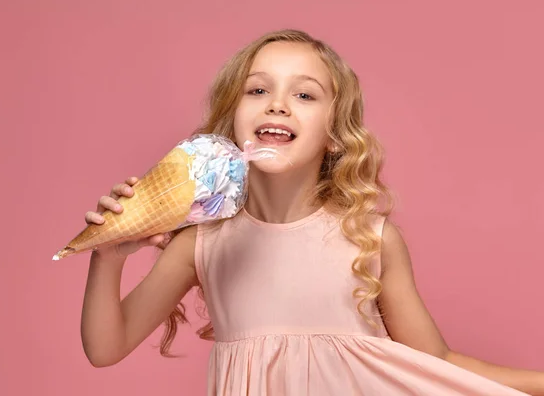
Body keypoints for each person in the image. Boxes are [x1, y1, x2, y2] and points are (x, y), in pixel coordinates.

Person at [79, 29, 544, 395]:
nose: (277, 104)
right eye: (257, 90)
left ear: (336, 134)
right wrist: (108, 255)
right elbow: (105, 348)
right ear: (233, 118)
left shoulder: (370, 238)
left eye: (305, 95)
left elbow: (436, 364)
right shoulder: (201, 243)